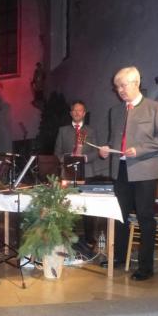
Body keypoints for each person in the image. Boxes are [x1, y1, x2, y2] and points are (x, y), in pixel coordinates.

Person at [98, 66, 158, 281]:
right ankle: (120, 257)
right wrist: (105, 149)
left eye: (123, 85)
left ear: (136, 83)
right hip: (120, 169)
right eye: (117, 87)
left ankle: (146, 267)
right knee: (120, 215)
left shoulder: (155, 108)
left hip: (144, 170)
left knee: (144, 217)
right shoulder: (116, 111)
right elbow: (115, 139)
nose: (119, 90)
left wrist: (139, 150)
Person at [54, 100, 97, 246]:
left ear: (84, 113)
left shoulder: (90, 131)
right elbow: (57, 152)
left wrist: (85, 158)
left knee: (88, 206)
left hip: (87, 172)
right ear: (71, 113)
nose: (77, 113)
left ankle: (89, 237)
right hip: (67, 173)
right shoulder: (62, 130)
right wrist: (66, 161)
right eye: (75, 110)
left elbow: (96, 152)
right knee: (67, 205)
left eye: (80, 110)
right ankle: (67, 236)